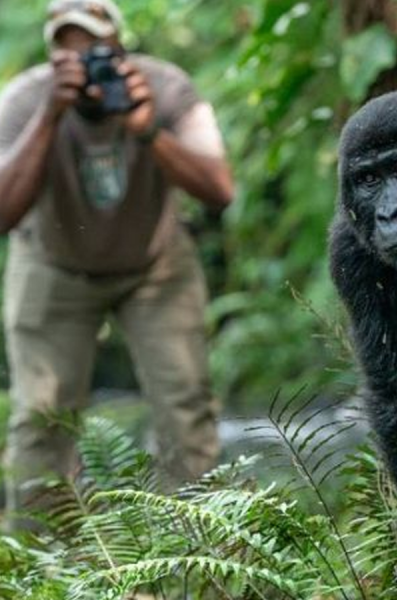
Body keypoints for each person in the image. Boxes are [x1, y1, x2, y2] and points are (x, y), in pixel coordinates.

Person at [0, 0, 234, 524]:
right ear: (52, 59)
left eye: (97, 54)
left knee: (185, 408)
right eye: (71, 56)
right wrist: (49, 115)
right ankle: (41, 571)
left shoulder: (167, 89)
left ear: (122, 49)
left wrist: (147, 128)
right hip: (53, 264)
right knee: (40, 420)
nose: (86, 69)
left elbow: (219, 189)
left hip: (155, 263)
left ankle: (195, 561)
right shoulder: (24, 100)